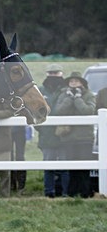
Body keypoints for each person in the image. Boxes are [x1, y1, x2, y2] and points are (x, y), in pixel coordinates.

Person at [53, 71, 96, 198]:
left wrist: (77, 98)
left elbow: (88, 111)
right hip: (68, 137)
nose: (74, 83)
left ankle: (85, 193)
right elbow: (58, 111)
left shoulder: (89, 95)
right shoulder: (63, 95)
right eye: (71, 81)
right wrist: (69, 98)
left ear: (82, 83)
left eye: (76, 81)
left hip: (85, 138)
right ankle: (72, 194)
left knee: (84, 168)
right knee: (71, 168)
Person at [36, 63, 68, 197]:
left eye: (56, 73)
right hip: (46, 135)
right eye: (51, 73)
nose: (53, 75)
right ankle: (49, 192)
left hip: (64, 135)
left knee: (64, 166)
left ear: (61, 74)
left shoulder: (66, 90)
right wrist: (40, 128)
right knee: (48, 166)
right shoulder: (40, 91)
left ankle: (65, 192)